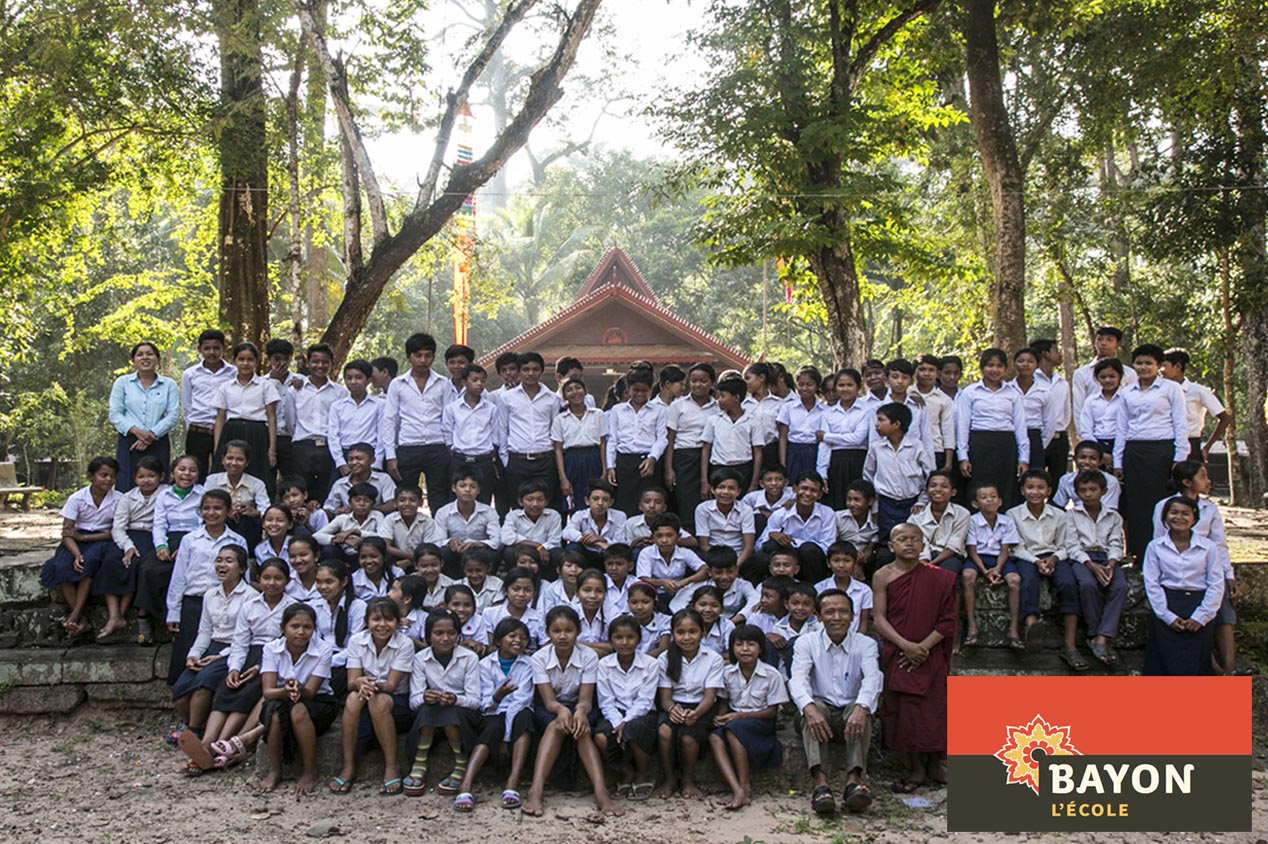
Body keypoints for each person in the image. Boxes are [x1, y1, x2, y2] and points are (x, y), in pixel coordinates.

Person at [872, 525, 955, 792]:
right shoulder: (882, 576)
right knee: (906, 711)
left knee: (934, 709)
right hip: (899, 652)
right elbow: (880, 619)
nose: (909, 544)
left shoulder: (939, 577)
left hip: (930, 652)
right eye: (902, 539)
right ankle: (916, 768)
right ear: (891, 545)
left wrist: (923, 648)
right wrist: (905, 646)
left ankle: (935, 765)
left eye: (915, 540)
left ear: (923, 546)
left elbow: (948, 620)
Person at [789, 588, 881, 815]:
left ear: (853, 616)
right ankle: (821, 785)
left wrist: (861, 708)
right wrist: (808, 708)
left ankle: (853, 781)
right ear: (819, 617)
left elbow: (873, 679)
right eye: (830, 612)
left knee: (861, 709)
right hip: (822, 709)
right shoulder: (806, 642)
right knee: (813, 709)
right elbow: (797, 679)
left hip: (850, 709)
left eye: (843, 612)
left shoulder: (866, 644)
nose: (837, 618)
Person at [523, 606, 621, 817]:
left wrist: (579, 712)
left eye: (569, 630)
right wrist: (561, 711)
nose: (563, 636)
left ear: (578, 632)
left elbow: (586, 699)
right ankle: (536, 790)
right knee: (555, 725)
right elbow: (548, 701)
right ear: (548, 633)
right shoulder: (539, 658)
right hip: (550, 708)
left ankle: (601, 791)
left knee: (581, 728)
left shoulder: (588, 657)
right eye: (556, 631)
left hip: (581, 706)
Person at [194, 557, 290, 765]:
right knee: (227, 688)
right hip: (249, 654)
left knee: (247, 692)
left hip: (275, 658)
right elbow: (240, 641)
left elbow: (286, 643)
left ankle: (222, 744)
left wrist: (258, 668)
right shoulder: (250, 604)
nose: (272, 583)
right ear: (258, 579)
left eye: (278, 578)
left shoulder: (292, 607)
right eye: (266, 578)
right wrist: (234, 668)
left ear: (287, 581)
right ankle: (206, 743)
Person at [1151, 460, 1237, 673]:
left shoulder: (1209, 508)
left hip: (1207, 568)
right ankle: (1213, 666)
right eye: (1203, 476)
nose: (1207, 481)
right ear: (1187, 482)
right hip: (1175, 573)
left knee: (1222, 611)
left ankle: (1230, 669)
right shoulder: (1164, 507)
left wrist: (1228, 573)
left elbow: (1219, 543)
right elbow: (1160, 542)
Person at [169, 545, 250, 750]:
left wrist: (220, 657)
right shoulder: (210, 594)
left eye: (229, 561)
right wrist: (194, 654)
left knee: (204, 683)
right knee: (181, 687)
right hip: (211, 645)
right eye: (219, 560)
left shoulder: (250, 596)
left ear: (241, 568)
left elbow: (245, 637)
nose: (222, 565)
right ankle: (192, 723)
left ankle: (194, 730)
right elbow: (204, 631)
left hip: (233, 649)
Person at [332, 597, 415, 795]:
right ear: (367, 622)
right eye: (376, 619)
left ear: (397, 621)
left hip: (396, 702)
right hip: (365, 695)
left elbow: (392, 685)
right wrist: (361, 682)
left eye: (388, 619)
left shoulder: (405, 644)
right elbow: (352, 680)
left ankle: (391, 766)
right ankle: (348, 766)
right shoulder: (356, 641)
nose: (382, 625)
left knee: (378, 699)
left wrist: (368, 683)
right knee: (353, 698)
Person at [453, 617, 536, 811]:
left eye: (523, 637)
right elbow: (485, 704)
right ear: (498, 640)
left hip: (519, 711)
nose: (518, 640)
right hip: (494, 711)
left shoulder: (529, 664)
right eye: (512, 636)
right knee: (493, 726)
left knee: (523, 718)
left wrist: (506, 739)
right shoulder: (485, 665)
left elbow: (521, 699)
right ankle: (466, 784)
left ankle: (512, 782)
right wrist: (497, 697)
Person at [1114, 344, 1189, 559]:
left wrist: (1179, 457)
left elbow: (1180, 424)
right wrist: (1118, 462)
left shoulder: (1171, 389)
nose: (1143, 367)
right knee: (1136, 505)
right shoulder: (1126, 393)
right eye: (1139, 363)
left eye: (1149, 363)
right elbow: (1122, 429)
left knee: (1162, 502)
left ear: (1159, 367)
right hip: (1134, 451)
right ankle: (1138, 553)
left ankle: (1166, 553)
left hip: (1162, 451)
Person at [255, 603, 338, 794]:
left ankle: (310, 770)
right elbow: (268, 691)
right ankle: (275, 770)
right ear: (283, 628)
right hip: (281, 697)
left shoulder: (323, 650)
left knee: (298, 710)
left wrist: (298, 688)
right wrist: (285, 691)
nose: (301, 632)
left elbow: (312, 690)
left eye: (307, 627)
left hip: (318, 701)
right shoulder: (271, 649)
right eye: (294, 626)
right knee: (275, 713)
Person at [163, 489, 246, 683]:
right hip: (194, 602)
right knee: (188, 652)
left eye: (218, 508)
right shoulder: (190, 540)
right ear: (199, 511)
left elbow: (243, 576)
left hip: (224, 604)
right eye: (206, 508)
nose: (211, 513)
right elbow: (179, 576)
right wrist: (173, 611)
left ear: (228, 511)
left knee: (214, 654)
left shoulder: (237, 540)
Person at [403, 609, 482, 796]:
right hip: (430, 712)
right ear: (429, 635)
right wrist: (425, 696)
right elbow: (413, 701)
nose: (445, 638)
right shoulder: (420, 659)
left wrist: (455, 699)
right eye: (439, 633)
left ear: (458, 634)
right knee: (427, 708)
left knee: (450, 712)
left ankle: (460, 763)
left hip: (461, 714)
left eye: (451, 633)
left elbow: (475, 700)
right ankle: (419, 762)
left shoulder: (469, 658)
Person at [710, 623, 789, 810]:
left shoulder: (771, 675)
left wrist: (739, 716)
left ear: (760, 648)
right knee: (714, 737)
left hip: (760, 721)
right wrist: (721, 717)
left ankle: (744, 787)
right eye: (739, 644)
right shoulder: (728, 673)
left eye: (751, 644)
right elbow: (723, 702)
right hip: (734, 720)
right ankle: (735, 787)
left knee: (734, 730)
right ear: (732, 648)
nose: (745, 649)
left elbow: (772, 711)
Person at [40, 457, 121, 637]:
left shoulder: (118, 500)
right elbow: (67, 531)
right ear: (91, 476)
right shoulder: (77, 498)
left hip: (101, 539)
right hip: (73, 541)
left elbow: (116, 531)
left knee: (89, 563)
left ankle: (75, 614)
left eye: (112, 476)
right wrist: (76, 553)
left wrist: (85, 538)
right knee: (61, 566)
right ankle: (82, 619)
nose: (108, 480)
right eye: (103, 475)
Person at [1143, 496, 1224, 675]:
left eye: (1185, 514)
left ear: (1194, 519)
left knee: (1197, 663)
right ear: (1165, 517)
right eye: (1174, 512)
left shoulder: (1208, 547)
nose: (1179, 517)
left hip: (1199, 603)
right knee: (1162, 663)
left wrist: (1201, 616)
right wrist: (1167, 616)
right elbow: (1152, 583)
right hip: (1167, 603)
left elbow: (1216, 583)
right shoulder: (1155, 547)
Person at [1007, 470, 1080, 665]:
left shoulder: (1060, 515)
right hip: (1027, 557)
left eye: (1040, 488)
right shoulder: (1013, 514)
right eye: (1030, 487)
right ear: (1022, 490)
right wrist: (1036, 561)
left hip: (1056, 556)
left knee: (1068, 582)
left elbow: (1066, 545)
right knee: (1028, 579)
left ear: (1049, 491)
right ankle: (1031, 622)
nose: (1035, 492)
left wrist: (1054, 559)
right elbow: (1016, 547)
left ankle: (1070, 643)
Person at [381, 333, 458, 517]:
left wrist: (449, 448)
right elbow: (390, 420)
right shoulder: (397, 384)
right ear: (409, 357)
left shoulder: (443, 383)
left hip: (437, 446)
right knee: (405, 495)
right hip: (408, 446)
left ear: (433, 357)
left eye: (428, 355)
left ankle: (439, 538)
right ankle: (404, 537)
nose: (423, 360)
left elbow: (448, 418)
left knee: (439, 496)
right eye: (418, 355)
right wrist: (391, 455)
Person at [655, 608, 725, 800]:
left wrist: (696, 713)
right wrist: (672, 709)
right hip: (675, 705)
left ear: (702, 632)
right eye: (680, 632)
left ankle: (687, 779)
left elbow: (710, 696)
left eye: (692, 632)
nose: (687, 637)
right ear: (673, 634)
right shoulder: (665, 658)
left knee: (688, 737)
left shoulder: (713, 659)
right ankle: (669, 779)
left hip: (702, 707)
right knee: (664, 731)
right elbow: (665, 698)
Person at [135, 454, 203, 645]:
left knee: (182, 572)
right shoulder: (164, 495)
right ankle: (145, 620)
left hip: (195, 540)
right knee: (148, 570)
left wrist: (186, 547)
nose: (186, 474)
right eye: (182, 469)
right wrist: (161, 546)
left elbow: (203, 523)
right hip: (169, 538)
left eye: (192, 470)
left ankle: (180, 623)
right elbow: (159, 524)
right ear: (173, 472)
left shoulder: (203, 494)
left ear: (198, 474)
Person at [98, 455, 165, 638]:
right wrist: (128, 546)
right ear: (135, 479)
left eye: (151, 476)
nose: (146, 481)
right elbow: (118, 527)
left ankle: (126, 612)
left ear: (161, 477)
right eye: (141, 476)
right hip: (128, 536)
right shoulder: (127, 498)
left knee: (136, 564)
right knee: (112, 561)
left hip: (153, 536)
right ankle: (114, 616)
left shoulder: (166, 494)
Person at [1066, 470, 1128, 667]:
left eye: (1093, 490)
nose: (1088, 494)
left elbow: (1116, 542)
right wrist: (1091, 565)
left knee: (1120, 587)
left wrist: (1111, 563)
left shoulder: (1113, 516)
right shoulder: (1072, 515)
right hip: (1083, 558)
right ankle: (1093, 632)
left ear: (1103, 491)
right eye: (1083, 490)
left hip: (1106, 557)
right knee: (1086, 584)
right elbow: (1072, 545)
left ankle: (1103, 636)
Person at [595, 615, 660, 802]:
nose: (624, 642)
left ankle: (643, 773)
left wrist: (626, 722)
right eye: (618, 638)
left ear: (638, 639)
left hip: (643, 713)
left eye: (630, 637)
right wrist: (618, 723)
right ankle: (626, 772)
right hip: (614, 713)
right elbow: (606, 701)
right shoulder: (604, 665)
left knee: (634, 729)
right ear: (611, 640)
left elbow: (646, 700)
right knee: (600, 736)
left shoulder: (650, 664)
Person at [955, 347, 1029, 510]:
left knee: (1006, 489)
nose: (995, 370)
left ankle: (1005, 528)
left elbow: (1020, 426)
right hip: (979, 446)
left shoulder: (1013, 393)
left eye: (999, 366)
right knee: (978, 489)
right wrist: (963, 456)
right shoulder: (970, 393)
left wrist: (1024, 458)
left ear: (1005, 368)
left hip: (1005, 445)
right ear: (982, 368)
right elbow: (962, 426)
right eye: (990, 365)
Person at [499, 352, 563, 518]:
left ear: (542, 371)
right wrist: (507, 459)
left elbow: (555, 431)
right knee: (518, 507)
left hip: (545, 460)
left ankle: (547, 543)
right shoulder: (507, 398)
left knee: (546, 506)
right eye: (526, 369)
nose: (530, 373)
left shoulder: (552, 399)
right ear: (519, 372)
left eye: (535, 369)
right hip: (517, 460)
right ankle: (520, 543)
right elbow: (502, 429)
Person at [109, 341, 179, 491]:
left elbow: (173, 415)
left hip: (157, 440)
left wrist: (151, 434)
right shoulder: (122, 383)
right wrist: (137, 432)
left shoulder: (169, 384)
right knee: (126, 482)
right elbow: (115, 413)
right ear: (133, 360)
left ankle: (157, 514)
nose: (145, 358)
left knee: (157, 484)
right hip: (129, 440)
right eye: (140, 354)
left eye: (150, 354)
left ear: (158, 359)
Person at [211, 341, 280, 495]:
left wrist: (272, 450)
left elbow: (272, 417)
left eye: (250, 359)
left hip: (258, 433)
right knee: (228, 472)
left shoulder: (265, 386)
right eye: (241, 359)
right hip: (232, 431)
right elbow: (220, 418)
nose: (245, 363)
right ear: (234, 361)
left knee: (258, 473)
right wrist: (217, 448)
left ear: (256, 361)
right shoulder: (226, 386)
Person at [864, 402, 934, 544]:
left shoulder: (916, 446)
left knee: (911, 541)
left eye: (881, 420)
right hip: (886, 504)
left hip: (912, 503)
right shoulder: (876, 448)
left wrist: (923, 500)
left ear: (896, 424)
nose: (877, 424)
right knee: (888, 541)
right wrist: (876, 505)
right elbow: (868, 476)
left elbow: (930, 475)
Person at [289, 343, 348, 505]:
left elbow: (341, 422)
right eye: (315, 361)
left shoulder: (340, 392)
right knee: (301, 489)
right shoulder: (295, 390)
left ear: (331, 364)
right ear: (308, 363)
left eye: (325, 362)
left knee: (326, 489)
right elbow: (290, 420)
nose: (320, 366)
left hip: (328, 447)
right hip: (302, 446)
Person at [663, 363, 720, 529]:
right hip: (684, 458)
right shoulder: (678, 406)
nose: (698, 385)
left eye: (703, 381)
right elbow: (670, 440)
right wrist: (669, 469)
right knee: (687, 502)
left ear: (712, 383)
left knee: (710, 498)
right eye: (694, 381)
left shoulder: (718, 407)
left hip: (711, 457)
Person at [605, 367, 667, 516]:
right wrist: (610, 466)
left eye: (644, 390)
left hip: (648, 463)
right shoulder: (617, 410)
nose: (639, 394)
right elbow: (612, 439)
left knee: (649, 505)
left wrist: (652, 458)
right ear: (628, 389)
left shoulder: (659, 410)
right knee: (624, 504)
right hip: (624, 462)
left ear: (651, 388)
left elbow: (662, 438)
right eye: (635, 390)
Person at [754, 471, 835, 584]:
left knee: (808, 549)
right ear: (795, 489)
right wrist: (771, 535)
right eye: (804, 488)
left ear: (820, 494)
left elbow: (828, 547)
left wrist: (793, 543)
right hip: (785, 564)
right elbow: (759, 546)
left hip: (812, 563)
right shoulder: (780, 514)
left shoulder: (827, 513)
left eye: (813, 490)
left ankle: (814, 590)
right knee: (770, 546)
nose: (807, 493)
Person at [965, 482, 1020, 648]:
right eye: (984, 497)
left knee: (1015, 580)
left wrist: (997, 569)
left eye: (993, 497)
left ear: (1000, 501)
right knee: (968, 577)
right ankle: (972, 626)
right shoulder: (972, 521)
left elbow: (1005, 549)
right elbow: (972, 550)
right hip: (978, 558)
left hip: (1000, 559)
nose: (989, 500)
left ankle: (1013, 629)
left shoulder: (1007, 521)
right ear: (975, 503)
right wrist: (985, 571)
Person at [442, 364, 502, 506]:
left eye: (482, 381)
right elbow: (447, 433)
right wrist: (453, 451)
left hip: (483, 460)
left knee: (484, 499)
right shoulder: (452, 408)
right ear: (464, 382)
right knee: (456, 501)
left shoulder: (491, 409)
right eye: (475, 380)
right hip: (460, 459)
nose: (479, 384)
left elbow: (495, 434)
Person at [817, 368, 876, 510]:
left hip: (859, 462)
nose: (845, 389)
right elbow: (825, 446)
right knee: (836, 503)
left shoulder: (867, 410)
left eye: (850, 385)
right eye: (841, 385)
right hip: (835, 463)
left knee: (859, 503)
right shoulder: (827, 413)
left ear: (858, 386)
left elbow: (857, 439)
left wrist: (827, 436)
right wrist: (822, 473)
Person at [1161, 348, 1232, 463]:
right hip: (1164, 443)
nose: (1160, 370)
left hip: (1190, 445)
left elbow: (1225, 418)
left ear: (1177, 367)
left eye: (1164, 365)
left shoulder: (1198, 391)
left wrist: (1207, 447)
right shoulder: (1160, 392)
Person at [181, 329, 235, 479]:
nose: (212, 352)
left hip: (225, 431)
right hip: (198, 431)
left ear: (224, 348)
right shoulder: (190, 374)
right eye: (207, 348)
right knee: (196, 472)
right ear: (200, 349)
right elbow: (187, 405)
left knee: (224, 472)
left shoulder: (233, 372)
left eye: (216, 348)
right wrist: (192, 425)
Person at [551, 376, 606, 513]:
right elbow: (557, 449)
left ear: (585, 391)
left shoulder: (598, 414)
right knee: (573, 502)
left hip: (593, 459)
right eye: (569, 390)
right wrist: (563, 478)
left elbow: (603, 444)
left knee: (595, 500)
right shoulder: (560, 419)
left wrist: (605, 470)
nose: (575, 392)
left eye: (578, 388)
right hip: (571, 460)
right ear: (564, 396)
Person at [432, 469, 501, 578]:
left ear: (478, 490)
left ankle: (487, 580)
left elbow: (497, 540)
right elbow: (436, 541)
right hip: (455, 553)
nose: (467, 490)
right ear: (454, 488)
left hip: (479, 552)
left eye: (473, 487)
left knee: (495, 552)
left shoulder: (488, 512)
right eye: (462, 486)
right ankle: (452, 582)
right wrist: (450, 541)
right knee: (443, 552)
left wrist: (478, 544)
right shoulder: (443, 512)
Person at [205, 440, 270, 549]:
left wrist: (255, 512)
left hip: (246, 528)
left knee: (247, 521)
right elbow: (203, 506)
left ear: (247, 462)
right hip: (219, 524)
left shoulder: (257, 483)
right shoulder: (212, 481)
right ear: (223, 460)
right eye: (230, 458)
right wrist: (226, 512)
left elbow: (266, 510)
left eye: (240, 459)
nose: (234, 463)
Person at [703, 377, 764, 492]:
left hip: (743, 469)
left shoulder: (752, 421)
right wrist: (704, 481)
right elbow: (706, 449)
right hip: (719, 468)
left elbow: (758, 452)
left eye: (722, 396)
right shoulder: (714, 420)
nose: (719, 400)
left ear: (736, 398)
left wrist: (754, 482)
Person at [694, 468, 757, 575]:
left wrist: (734, 568)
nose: (726, 492)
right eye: (721, 487)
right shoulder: (703, 509)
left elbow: (748, 546)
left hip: (738, 554)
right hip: (713, 554)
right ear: (713, 490)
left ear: (738, 492)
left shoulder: (746, 510)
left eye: (731, 488)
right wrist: (719, 566)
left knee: (759, 559)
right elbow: (704, 545)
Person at [327, 359, 384, 476]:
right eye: (349, 378)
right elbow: (333, 437)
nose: (353, 382)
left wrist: (375, 463)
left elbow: (382, 436)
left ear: (368, 380)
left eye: (358, 377)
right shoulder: (337, 406)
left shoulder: (379, 405)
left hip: (369, 455)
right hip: (344, 455)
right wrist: (341, 463)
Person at [907, 470, 971, 574]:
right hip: (923, 554)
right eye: (933, 485)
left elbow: (955, 545)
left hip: (951, 555)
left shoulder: (962, 514)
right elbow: (920, 542)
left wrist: (932, 564)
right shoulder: (917, 516)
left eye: (944, 486)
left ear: (953, 492)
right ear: (926, 491)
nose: (938, 489)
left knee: (946, 571)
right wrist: (924, 562)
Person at [1072, 326, 1138, 426]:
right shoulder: (1082, 373)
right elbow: (1078, 407)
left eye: (1109, 340)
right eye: (1100, 339)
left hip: (1121, 428)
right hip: (1093, 429)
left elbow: (1133, 404)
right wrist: (1084, 435)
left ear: (1117, 344)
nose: (1103, 343)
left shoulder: (1129, 373)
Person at [636, 513, 708, 605]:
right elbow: (643, 578)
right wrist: (662, 582)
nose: (664, 540)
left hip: (680, 594)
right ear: (653, 537)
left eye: (669, 535)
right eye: (659, 536)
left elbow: (704, 570)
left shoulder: (685, 553)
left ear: (678, 536)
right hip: (655, 595)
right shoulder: (646, 553)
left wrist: (684, 582)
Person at [1009, 348, 1054, 483]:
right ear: (1014, 364)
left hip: (1034, 435)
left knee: (1034, 478)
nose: (1025, 364)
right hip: (1012, 436)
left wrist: (1040, 444)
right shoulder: (1007, 389)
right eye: (1021, 361)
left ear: (1037, 365)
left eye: (1030, 361)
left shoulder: (1045, 391)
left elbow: (1049, 422)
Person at [1030, 339, 1072, 479]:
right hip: (1037, 437)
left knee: (1058, 480)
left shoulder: (1061, 382)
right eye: (1056, 350)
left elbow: (1066, 413)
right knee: (1035, 477)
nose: (1059, 355)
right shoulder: (1031, 381)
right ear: (1045, 354)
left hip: (1059, 438)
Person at [314, 482, 386, 563]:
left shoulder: (377, 516)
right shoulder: (343, 518)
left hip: (367, 555)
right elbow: (316, 536)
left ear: (373, 504)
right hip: (345, 555)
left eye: (367, 501)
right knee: (329, 550)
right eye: (357, 500)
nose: (361, 504)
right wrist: (344, 540)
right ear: (350, 503)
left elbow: (383, 537)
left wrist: (355, 532)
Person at [499, 480, 562, 571]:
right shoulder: (513, 516)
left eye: (540, 500)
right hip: (522, 553)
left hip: (545, 553)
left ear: (547, 501)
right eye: (530, 499)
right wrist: (537, 546)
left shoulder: (553, 515)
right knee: (509, 551)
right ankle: (516, 576)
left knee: (557, 553)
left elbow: (554, 542)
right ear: (520, 501)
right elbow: (506, 538)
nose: (535, 504)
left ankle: (548, 580)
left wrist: (541, 549)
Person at [777, 366, 825, 485]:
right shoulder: (788, 408)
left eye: (809, 384)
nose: (804, 388)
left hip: (815, 452)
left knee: (813, 486)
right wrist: (783, 464)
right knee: (793, 486)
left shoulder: (825, 410)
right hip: (793, 452)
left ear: (817, 386)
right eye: (801, 384)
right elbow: (782, 437)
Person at [561, 479, 626, 567]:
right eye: (595, 499)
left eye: (605, 500)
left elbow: (621, 543)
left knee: (620, 553)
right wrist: (597, 542)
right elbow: (566, 533)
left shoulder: (619, 516)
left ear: (611, 502)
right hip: (586, 557)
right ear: (587, 501)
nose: (600, 503)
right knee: (573, 547)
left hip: (608, 557)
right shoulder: (580, 515)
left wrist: (604, 540)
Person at [812, 542, 874, 635]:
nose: (841, 565)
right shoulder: (819, 588)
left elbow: (864, 622)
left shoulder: (864, 590)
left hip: (854, 639)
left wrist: (859, 641)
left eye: (847, 561)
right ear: (828, 563)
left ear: (855, 563)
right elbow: (816, 619)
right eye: (836, 561)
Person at [264, 338, 302, 483]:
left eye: (286, 359)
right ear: (269, 359)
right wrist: (274, 382)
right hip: (268, 437)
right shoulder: (262, 383)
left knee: (293, 479)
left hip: (291, 438)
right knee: (267, 478)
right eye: (277, 359)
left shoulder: (300, 381)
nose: (281, 363)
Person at [324, 442, 396, 516]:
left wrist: (363, 509)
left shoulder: (384, 479)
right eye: (350, 459)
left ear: (372, 460)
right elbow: (330, 510)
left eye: (359, 459)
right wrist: (338, 512)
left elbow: (392, 505)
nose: (354, 462)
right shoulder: (339, 484)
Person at [482, 567, 545, 652]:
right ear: (505, 590)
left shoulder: (539, 618)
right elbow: (490, 647)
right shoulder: (490, 614)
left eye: (528, 590)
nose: (521, 594)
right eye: (516, 589)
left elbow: (545, 647)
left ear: (534, 593)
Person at [913, 355, 956, 473]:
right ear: (915, 372)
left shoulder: (943, 399)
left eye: (931, 370)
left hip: (935, 449)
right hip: (910, 449)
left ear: (937, 373)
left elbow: (948, 432)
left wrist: (948, 463)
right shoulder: (906, 394)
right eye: (922, 369)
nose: (927, 373)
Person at [1077, 358, 1125, 461]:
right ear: (1097, 378)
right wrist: (1099, 452)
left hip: (1121, 444)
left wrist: (1117, 454)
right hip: (1096, 444)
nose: (1107, 380)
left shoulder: (1126, 399)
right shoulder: (1091, 401)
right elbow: (1086, 430)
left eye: (1112, 376)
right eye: (1103, 377)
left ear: (1120, 376)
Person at [1052, 441, 1121, 510]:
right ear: (1075, 459)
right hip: (1076, 516)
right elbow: (1058, 506)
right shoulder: (1066, 480)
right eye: (1082, 457)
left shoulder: (1110, 481)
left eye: (1093, 458)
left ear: (1100, 462)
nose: (1087, 462)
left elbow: (1109, 510)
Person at [378, 485, 435, 566]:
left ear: (420, 502)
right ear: (395, 503)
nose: (407, 504)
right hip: (397, 558)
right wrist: (411, 557)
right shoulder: (390, 519)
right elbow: (386, 546)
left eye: (413, 500)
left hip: (420, 559)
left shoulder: (427, 522)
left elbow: (428, 548)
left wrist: (409, 561)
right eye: (402, 500)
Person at [458, 546, 504, 613]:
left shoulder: (497, 584)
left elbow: (496, 612)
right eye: (469, 571)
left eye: (479, 570)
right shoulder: (458, 586)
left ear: (489, 568)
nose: (474, 575)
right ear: (464, 569)